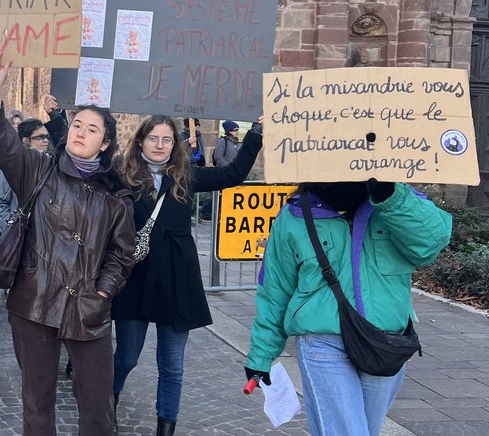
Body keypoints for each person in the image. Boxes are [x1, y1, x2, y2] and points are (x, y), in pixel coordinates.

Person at [0, 53, 136, 435]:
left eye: (92, 129)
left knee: (99, 409)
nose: (82, 132)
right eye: (77, 124)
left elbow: (122, 253)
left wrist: (103, 290)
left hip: (89, 308)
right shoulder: (38, 168)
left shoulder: (116, 194)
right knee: (38, 404)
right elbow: (0, 143)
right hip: (34, 301)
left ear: (105, 143)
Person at [247, 181, 451, 436]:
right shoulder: (295, 215)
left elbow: (431, 243)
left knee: (366, 431)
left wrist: (388, 194)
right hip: (323, 341)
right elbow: (275, 289)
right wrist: (261, 355)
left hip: (384, 344)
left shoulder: (398, 199)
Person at [111, 115, 263, 436]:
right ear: (141, 141)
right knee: (126, 357)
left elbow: (233, 174)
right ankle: (108, 396)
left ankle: (166, 427)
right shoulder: (121, 176)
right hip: (135, 275)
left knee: (172, 366)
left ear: (175, 144)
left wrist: (257, 133)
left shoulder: (186, 175)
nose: (160, 145)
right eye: (153, 138)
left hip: (177, 276)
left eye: (167, 140)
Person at [0, 118, 49, 233]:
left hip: (46, 234)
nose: (46, 141)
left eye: (47, 136)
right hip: (21, 233)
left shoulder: (51, 162)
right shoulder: (13, 165)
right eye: (40, 137)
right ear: (26, 141)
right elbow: (0, 202)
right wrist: (9, 230)